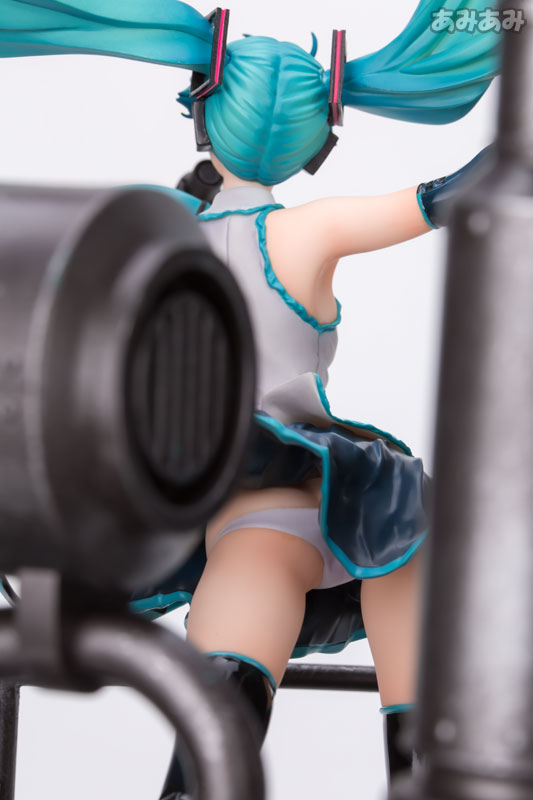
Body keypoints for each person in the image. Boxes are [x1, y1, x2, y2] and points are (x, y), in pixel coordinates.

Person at [0, 1, 500, 796]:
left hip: (246, 521)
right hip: (376, 514)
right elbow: (447, 195)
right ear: (320, 137)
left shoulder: (156, 235)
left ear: (203, 113)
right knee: (425, 734)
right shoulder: (308, 230)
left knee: (215, 729)